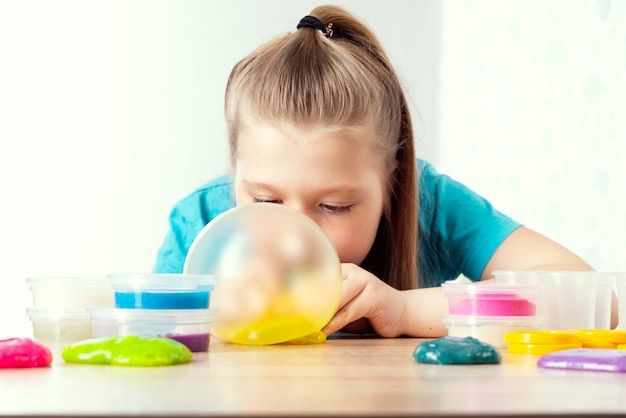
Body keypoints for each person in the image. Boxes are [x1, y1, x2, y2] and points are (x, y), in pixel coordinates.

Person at [153, 5, 614, 337]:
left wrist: (406, 310)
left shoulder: (430, 203)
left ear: (391, 182)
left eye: (334, 205)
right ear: (235, 172)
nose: (293, 232)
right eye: (266, 201)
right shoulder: (198, 221)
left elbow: (589, 295)